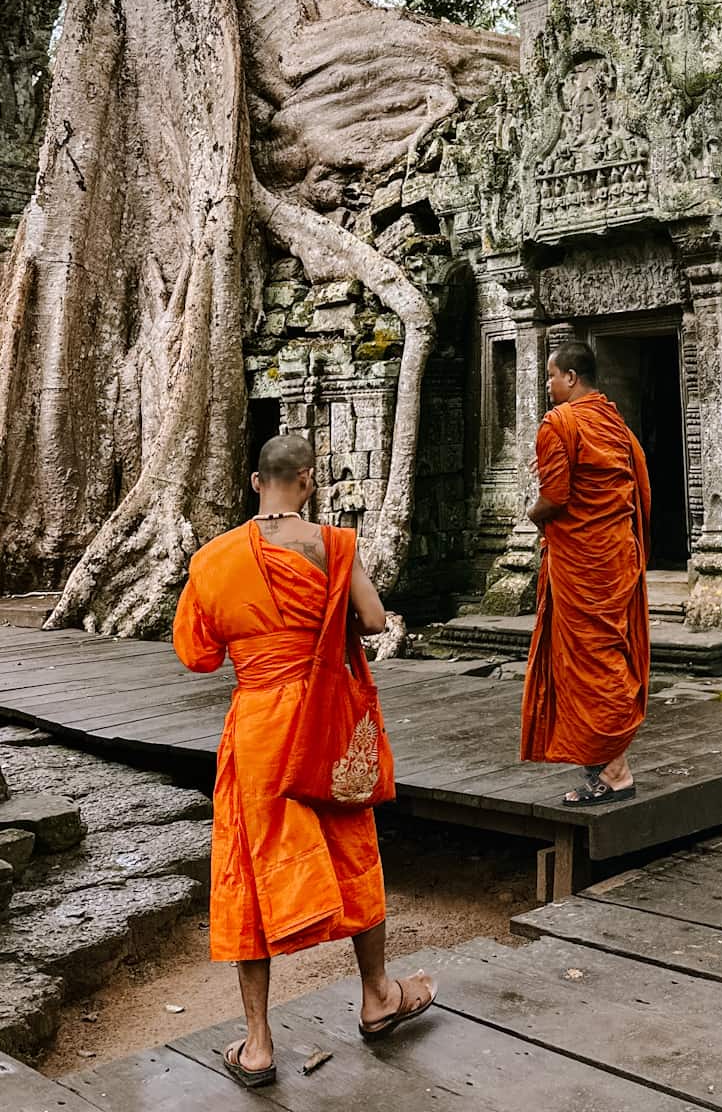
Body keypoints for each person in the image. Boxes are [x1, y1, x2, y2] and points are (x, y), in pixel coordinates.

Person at [173, 432, 434, 1090]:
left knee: (247, 873)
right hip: (325, 720)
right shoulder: (332, 546)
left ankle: (258, 1045)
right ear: (308, 482)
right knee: (352, 847)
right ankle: (377, 995)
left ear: (255, 482)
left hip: (259, 727)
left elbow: (197, 655)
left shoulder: (213, 559)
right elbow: (373, 621)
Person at [521, 340, 651, 805]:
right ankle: (610, 766)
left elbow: (555, 496)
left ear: (571, 377)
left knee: (591, 662)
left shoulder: (560, 423)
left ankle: (615, 771)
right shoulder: (614, 422)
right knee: (609, 652)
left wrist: (533, 515)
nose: (547, 384)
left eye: (551, 376)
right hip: (617, 554)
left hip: (583, 560)